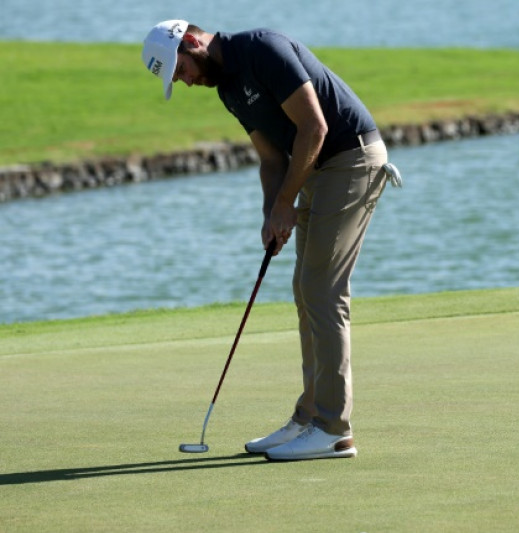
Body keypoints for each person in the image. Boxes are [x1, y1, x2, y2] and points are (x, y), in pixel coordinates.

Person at [142, 20, 400, 461]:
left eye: (181, 69)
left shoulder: (261, 49)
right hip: (316, 169)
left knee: (322, 290)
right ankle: (309, 417)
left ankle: (334, 430)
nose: (185, 81)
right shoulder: (226, 88)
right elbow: (271, 158)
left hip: (351, 159)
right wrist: (271, 214)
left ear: (192, 42)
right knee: (305, 289)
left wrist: (285, 203)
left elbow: (314, 128)